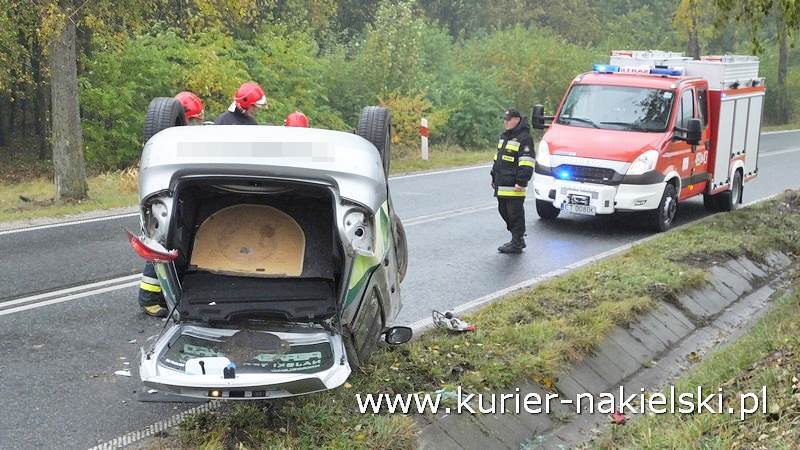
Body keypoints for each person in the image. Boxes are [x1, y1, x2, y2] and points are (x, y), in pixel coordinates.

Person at [138, 91, 206, 317]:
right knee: (162, 245)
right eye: (196, 120)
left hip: (172, 199)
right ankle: (148, 298)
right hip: (172, 201)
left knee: (167, 246)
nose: (198, 124)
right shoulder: (177, 142)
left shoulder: (167, 141)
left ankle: (161, 294)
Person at [490, 108, 535, 254]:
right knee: (503, 211)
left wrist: (521, 181)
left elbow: (527, 161)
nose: (506, 122)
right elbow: (499, 158)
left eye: (509, 119)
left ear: (517, 119)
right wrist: (493, 176)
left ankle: (517, 241)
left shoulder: (524, 138)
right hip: (502, 182)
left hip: (515, 184)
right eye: (505, 119)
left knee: (514, 213)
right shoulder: (505, 136)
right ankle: (516, 238)